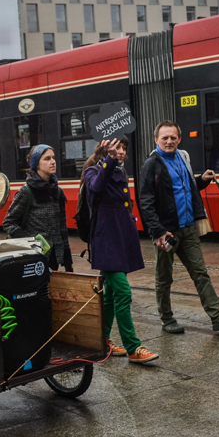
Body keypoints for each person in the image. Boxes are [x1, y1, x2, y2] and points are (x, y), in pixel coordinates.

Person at [138, 121, 219, 334]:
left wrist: (201, 181)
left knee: (200, 273)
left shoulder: (182, 158)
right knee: (164, 277)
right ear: (156, 140)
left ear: (179, 138)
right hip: (166, 232)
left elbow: (185, 188)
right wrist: (157, 231)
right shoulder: (152, 164)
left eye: (173, 137)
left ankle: (217, 317)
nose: (169, 141)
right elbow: (145, 201)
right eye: (165, 138)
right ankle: (167, 319)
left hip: (188, 228)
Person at [83, 138, 158, 364]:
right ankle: (133, 347)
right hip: (106, 243)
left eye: (124, 148)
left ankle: (102, 341)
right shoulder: (92, 171)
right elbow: (96, 188)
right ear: (104, 150)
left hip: (121, 240)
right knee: (123, 293)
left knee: (111, 297)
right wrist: (110, 160)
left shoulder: (120, 170)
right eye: (117, 148)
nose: (122, 152)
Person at [2, 144, 73, 272]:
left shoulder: (57, 191)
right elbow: (9, 222)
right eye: (47, 159)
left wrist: (67, 259)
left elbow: (62, 226)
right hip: (34, 259)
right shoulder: (26, 192)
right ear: (37, 164)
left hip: (55, 257)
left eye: (53, 158)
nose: (53, 162)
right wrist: (31, 241)